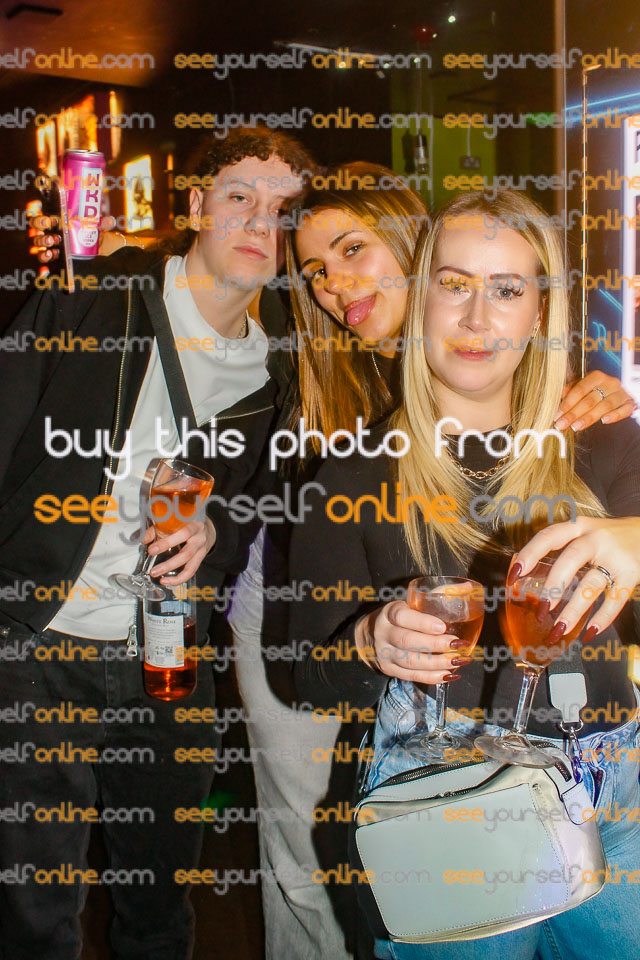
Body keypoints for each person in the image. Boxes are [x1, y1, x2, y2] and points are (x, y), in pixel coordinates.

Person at [22, 161, 635, 959]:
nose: (334, 284)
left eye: (352, 250)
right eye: (313, 268)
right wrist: (359, 634)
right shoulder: (324, 405)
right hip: (383, 703)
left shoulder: (585, 428)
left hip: (600, 767)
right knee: (303, 858)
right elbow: (300, 631)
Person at [289, 188, 640, 960]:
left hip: (615, 792)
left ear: (540, 314)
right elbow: (305, 676)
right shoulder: (350, 476)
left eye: (507, 291)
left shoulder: (606, 442)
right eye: (454, 285)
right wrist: (368, 642)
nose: (477, 318)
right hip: (442, 799)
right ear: (420, 300)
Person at [0, 126, 312, 960]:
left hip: (168, 663)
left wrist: (215, 528)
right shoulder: (95, 294)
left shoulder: (283, 370)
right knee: (33, 916)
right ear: (196, 205)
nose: (261, 223)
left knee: (161, 911)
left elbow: (258, 507)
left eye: (283, 210)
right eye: (240, 196)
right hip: (38, 647)